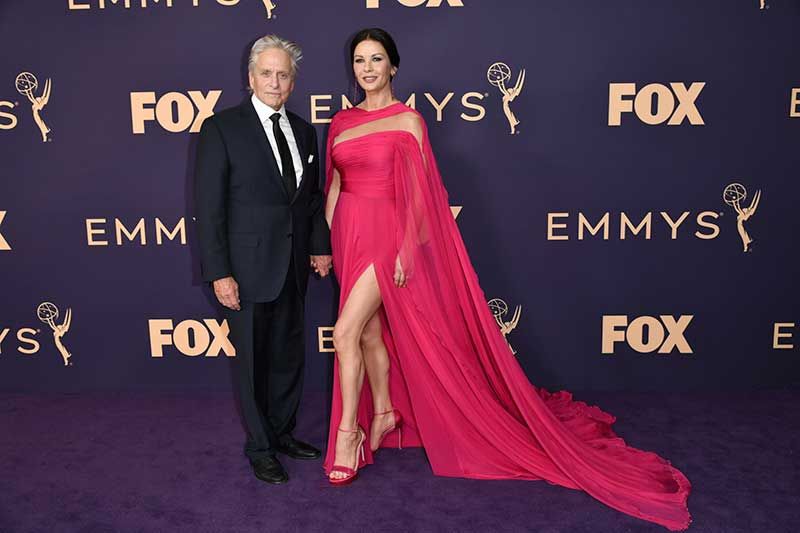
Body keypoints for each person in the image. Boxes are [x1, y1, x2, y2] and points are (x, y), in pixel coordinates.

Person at [322, 27, 691, 531]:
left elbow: (420, 198)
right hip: (348, 235)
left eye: (377, 59)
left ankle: (348, 435)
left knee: (344, 332)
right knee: (365, 332)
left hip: (386, 239)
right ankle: (384, 413)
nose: (367, 69)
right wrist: (330, 238)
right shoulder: (340, 121)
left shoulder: (409, 120)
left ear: (393, 67)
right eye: (360, 60)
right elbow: (337, 186)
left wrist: (405, 249)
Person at [194, 34, 332, 484]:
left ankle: (283, 432)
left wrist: (318, 245)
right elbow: (209, 208)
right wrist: (219, 273)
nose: (275, 82)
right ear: (250, 77)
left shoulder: (304, 130)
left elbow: (309, 201)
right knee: (253, 361)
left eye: (284, 75)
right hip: (247, 270)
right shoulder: (221, 128)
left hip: (293, 267)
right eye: (267, 73)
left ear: (293, 83)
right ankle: (260, 446)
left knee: (288, 356)